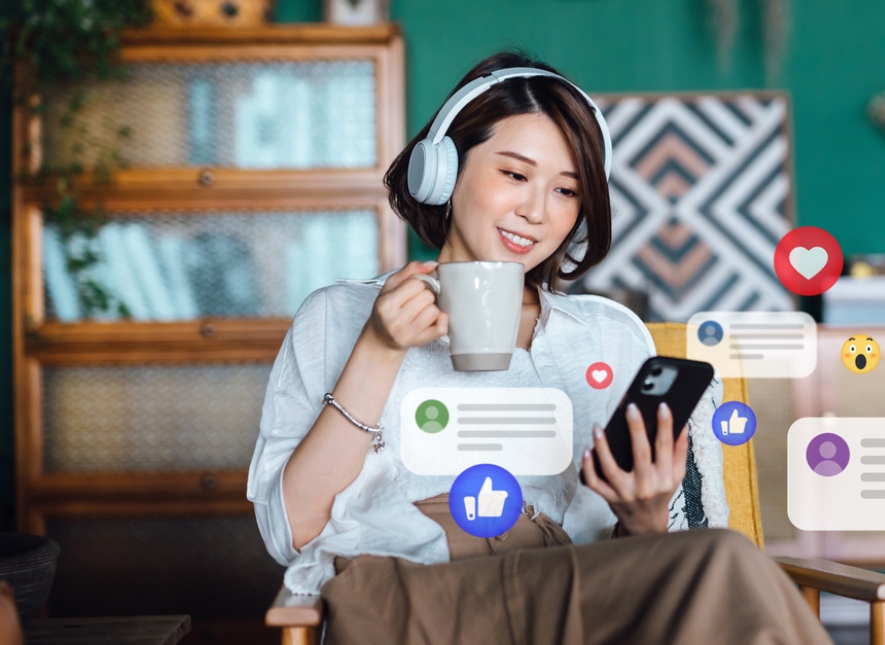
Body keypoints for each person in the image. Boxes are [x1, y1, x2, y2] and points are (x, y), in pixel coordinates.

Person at [247, 50, 831, 645]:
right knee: (725, 561)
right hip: (417, 598)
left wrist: (645, 515)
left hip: (579, 594)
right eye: (515, 175)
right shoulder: (341, 314)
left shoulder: (608, 334)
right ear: (442, 172)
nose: (536, 212)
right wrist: (378, 347)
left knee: (716, 563)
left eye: (566, 191)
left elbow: (655, 563)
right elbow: (288, 532)